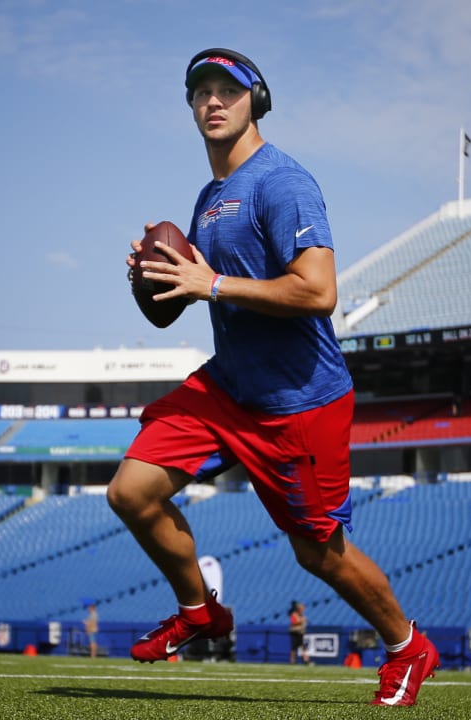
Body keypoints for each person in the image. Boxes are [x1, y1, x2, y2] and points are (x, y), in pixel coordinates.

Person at [110, 47, 438, 707]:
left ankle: (408, 646)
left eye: (226, 90)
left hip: (299, 401)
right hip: (231, 387)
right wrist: (161, 275)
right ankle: (199, 611)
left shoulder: (282, 182)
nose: (212, 101)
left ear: (254, 99)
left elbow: (318, 292)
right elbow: (192, 298)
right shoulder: (209, 197)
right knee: (130, 492)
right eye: (200, 91)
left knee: (318, 555)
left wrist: (211, 281)